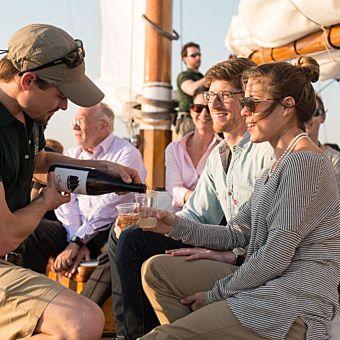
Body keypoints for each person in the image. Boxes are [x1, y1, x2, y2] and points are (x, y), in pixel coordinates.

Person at [139, 57, 340, 340]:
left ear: (287, 106)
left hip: (293, 303)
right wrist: (172, 225)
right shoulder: (278, 164)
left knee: (162, 337)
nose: (244, 112)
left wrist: (213, 295)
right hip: (269, 284)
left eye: (253, 103)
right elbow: (236, 232)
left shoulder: (304, 164)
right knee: (157, 271)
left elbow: (274, 258)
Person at [108, 57, 274, 339]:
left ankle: (139, 335)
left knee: (134, 242)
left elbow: (274, 231)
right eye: (211, 96)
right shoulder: (218, 156)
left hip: (250, 256)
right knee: (129, 232)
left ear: (245, 101)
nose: (214, 105)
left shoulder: (265, 151)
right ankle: (134, 333)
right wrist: (156, 221)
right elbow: (195, 216)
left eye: (225, 96)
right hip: (225, 240)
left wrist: (232, 254)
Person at [0, 23, 140, 339]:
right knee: (81, 321)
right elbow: (5, 236)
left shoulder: (26, 116)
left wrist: (101, 167)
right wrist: (46, 201)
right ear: (28, 81)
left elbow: (41, 161)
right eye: (61, 95)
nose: (65, 106)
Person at [52, 102, 146, 304]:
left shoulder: (127, 155)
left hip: (106, 230)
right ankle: (30, 305)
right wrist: (75, 238)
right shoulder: (72, 154)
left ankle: (81, 311)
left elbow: (108, 206)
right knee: (36, 233)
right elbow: (65, 201)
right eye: (74, 122)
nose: (74, 127)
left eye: (80, 122)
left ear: (103, 126)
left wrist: (78, 241)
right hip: (76, 230)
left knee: (121, 244)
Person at [165, 86, 221, 211]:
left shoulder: (223, 150)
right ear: (191, 111)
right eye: (198, 108)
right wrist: (200, 199)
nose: (203, 113)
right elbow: (173, 188)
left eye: (209, 109)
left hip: (211, 223)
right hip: (179, 220)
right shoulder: (173, 149)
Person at [305, 93, 340, 194]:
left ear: (323, 117)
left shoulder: (334, 159)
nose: (308, 117)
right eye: (304, 112)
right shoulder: (282, 156)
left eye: (314, 112)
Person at [174, 42, 206, 139]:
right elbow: (191, 89)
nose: (198, 58)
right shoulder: (184, 76)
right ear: (184, 59)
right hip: (188, 121)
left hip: (203, 118)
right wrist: (211, 75)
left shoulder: (202, 77)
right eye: (193, 55)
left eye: (199, 55)